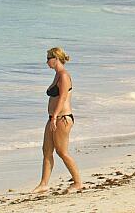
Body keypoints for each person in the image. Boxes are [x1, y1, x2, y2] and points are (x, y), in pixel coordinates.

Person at [33, 48, 82, 194]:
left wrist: (54, 117)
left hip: (62, 118)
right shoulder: (57, 75)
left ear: (56, 58)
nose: (46, 61)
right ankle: (44, 184)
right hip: (53, 118)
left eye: (48, 58)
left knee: (62, 151)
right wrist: (52, 117)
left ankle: (78, 182)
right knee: (46, 151)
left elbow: (63, 98)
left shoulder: (64, 76)